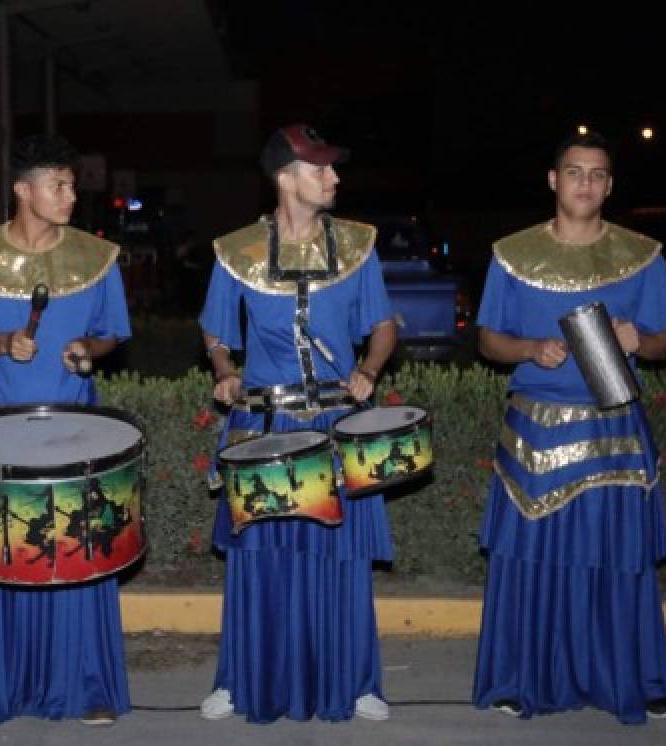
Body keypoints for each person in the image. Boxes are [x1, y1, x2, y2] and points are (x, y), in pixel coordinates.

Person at [471, 130, 666, 724]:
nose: (585, 182)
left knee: (620, 560)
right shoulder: (510, 253)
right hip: (533, 431)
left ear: (609, 185)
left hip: (616, 429)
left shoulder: (644, 256)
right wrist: (531, 350)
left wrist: (643, 339)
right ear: (553, 179)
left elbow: (665, 343)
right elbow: (488, 340)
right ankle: (519, 677)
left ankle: (637, 678)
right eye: (574, 171)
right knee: (531, 562)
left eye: (597, 174)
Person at [198, 123, 398, 723]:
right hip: (264, 423)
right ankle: (238, 679)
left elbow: (384, 325)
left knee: (342, 554)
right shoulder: (236, 250)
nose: (334, 178)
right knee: (259, 557)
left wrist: (370, 366)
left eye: (333, 168)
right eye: (320, 169)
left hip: (337, 419)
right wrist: (224, 368)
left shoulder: (359, 245)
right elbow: (215, 328)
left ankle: (360, 681)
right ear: (286, 177)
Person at [0, 134, 132, 728]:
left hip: (78, 429)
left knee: (79, 554)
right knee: (2, 555)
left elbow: (113, 333)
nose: (71, 195)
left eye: (72, 184)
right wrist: (1, 343)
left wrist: (87, 349)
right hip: (0, 431)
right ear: (23, 191)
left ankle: (88, 687)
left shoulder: (97, 257)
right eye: (59, 185)